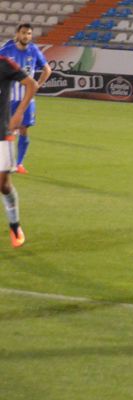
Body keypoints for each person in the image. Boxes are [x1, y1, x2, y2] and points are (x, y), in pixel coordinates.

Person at [0, 24, 52, 174]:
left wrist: (38, 86)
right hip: (9, 98)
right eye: (23, 33)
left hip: (27, 99)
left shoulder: (34, 50)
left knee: (23, 129)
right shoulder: (7, 50)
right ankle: (5, 162)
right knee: (6, 130)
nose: (26, 36)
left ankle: (19, 164)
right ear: (17, 34)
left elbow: (47, 69)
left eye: (29, 33)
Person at [0, 53, 37, 247]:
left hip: (2, 132)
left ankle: (14, 225)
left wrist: (19, 112)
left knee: (3, 185)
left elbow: (32, 84)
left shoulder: (4, 64)